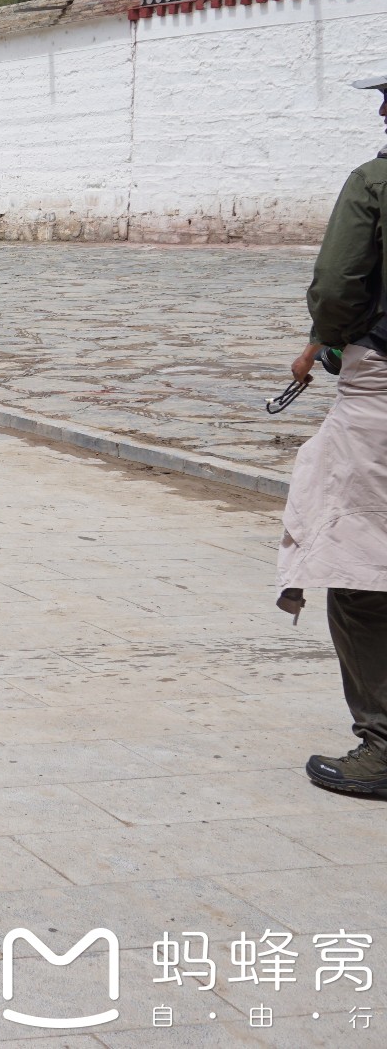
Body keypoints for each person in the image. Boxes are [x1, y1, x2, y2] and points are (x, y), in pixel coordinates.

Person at [280, 76, 387, 798]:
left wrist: (324, 337)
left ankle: (382, 744)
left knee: (359, 562)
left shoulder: (375, 184)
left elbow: (339, 284)